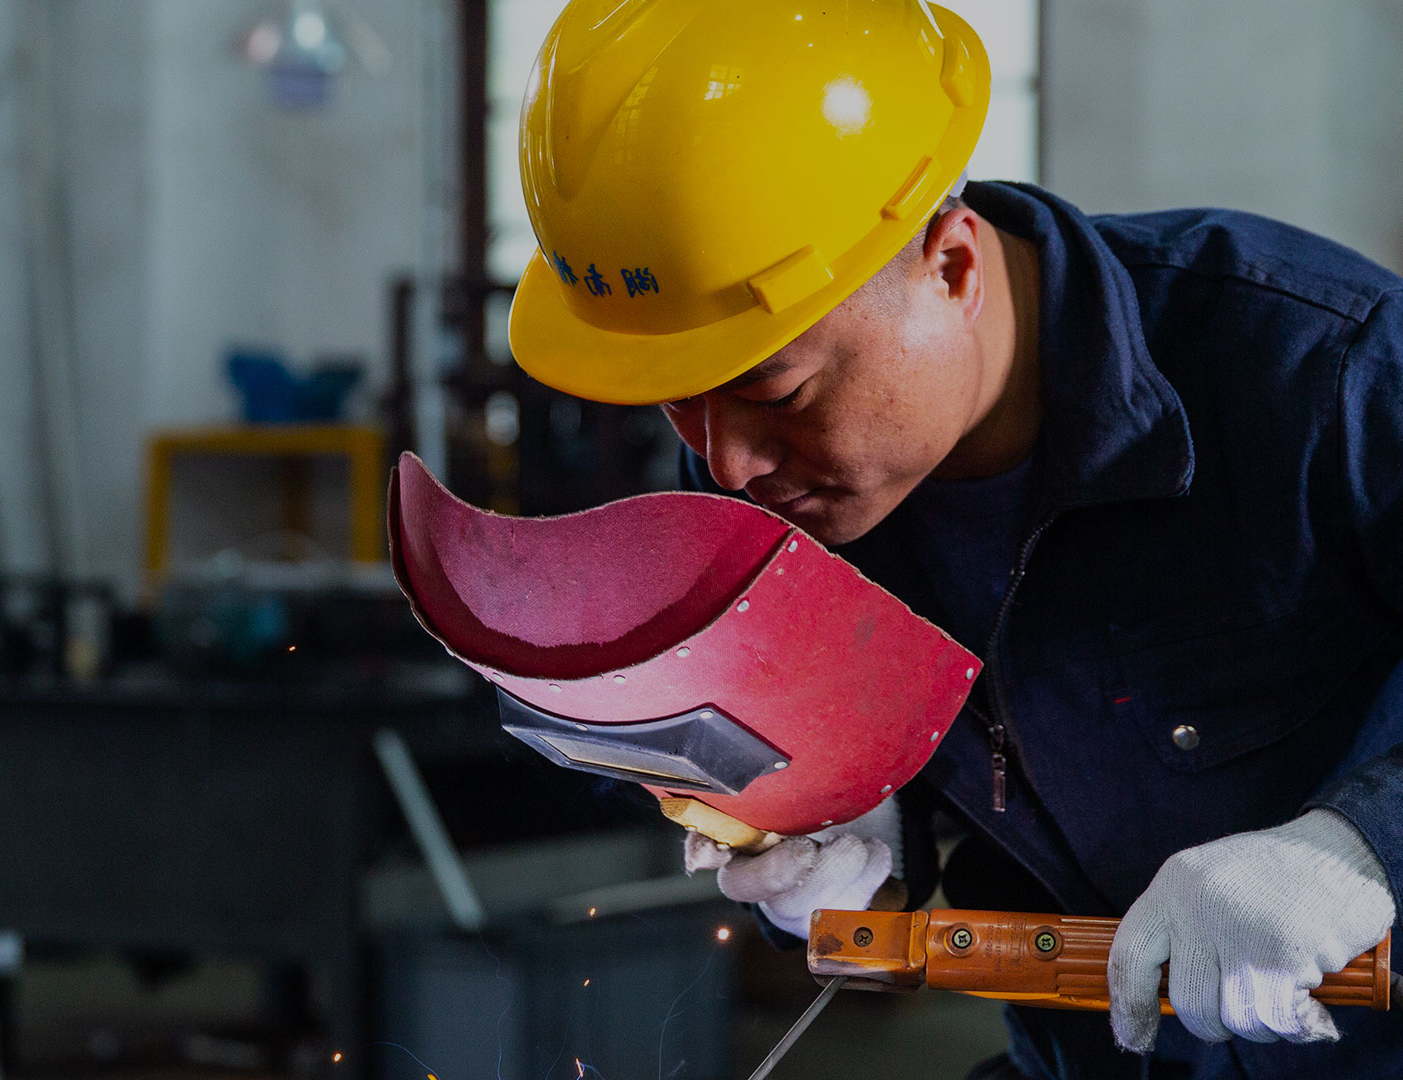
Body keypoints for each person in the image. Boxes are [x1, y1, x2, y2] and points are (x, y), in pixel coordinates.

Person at [503, 2, 1403, 1078]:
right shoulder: (772, 483)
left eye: (777, 393)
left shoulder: (1325, 371)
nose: (728, 465)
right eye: (677, 402)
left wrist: (1361, 850)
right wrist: (851, 835)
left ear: (953, 267)